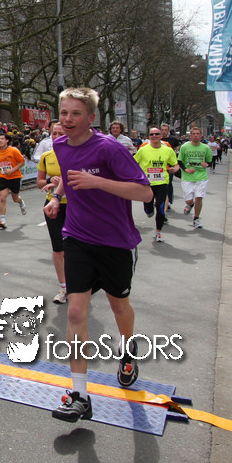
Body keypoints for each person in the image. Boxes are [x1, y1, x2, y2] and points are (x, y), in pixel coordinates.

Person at [43, 88, 152, 423]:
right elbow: (69, 177)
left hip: (115, 243)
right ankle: (80, 395)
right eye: (64, 113)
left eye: (75, 113)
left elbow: (145, 192)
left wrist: (99, 182)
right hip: (77, 238)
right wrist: (57, 197)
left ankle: (128, 348)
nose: (67, 120)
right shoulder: (60, 146)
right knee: (76, 312)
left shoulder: (109, 148)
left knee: (120, 307)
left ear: (91, 118)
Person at [37, 122, 68, 304]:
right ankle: (64, 288)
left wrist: (65, 180)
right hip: (53, 205)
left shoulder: (77, 154)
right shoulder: (47, 156)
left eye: (60, 133)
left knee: (77, 247)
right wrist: (50, 180)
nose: (57, 137)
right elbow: (39, 182)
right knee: (58, 248)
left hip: (76, 206)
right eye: (54, 133)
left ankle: (81, 283)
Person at [133, 127, 180, 242]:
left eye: (157, 134)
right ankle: (149, 210)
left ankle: (158, 232)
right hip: (147, 184)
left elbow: (175, 164)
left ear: (161, 136)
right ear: (149, 137)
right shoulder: (143, 150)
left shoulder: (168, 150)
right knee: (148, 209)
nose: (154, 136)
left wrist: (175, 169)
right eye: (152, 134)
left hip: (162, 182)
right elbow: (133, 163)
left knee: (161, 207)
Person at [0, 133, 27, 229]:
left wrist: (12, 170)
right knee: (3, 198)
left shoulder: (14, 150)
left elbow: (22, 162)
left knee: (15, 199)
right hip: (2, 177)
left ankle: (21, 202)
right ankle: (3, 220)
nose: (0, 141)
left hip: (14, 177)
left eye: (2, 139)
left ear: (7, 140)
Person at [179, 127, 213, 229]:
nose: (195, 135)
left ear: (201, 135)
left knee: (199, 197)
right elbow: (180, 161)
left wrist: (206, 164)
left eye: (197, 134)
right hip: (188, 177)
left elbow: (210, 162)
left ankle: (196, 218)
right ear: (190, 136)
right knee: (189, 200)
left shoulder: (205, 148)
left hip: (201, 176)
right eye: (193, 134)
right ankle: (190, 204)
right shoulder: (185, 147)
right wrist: (186, 169)